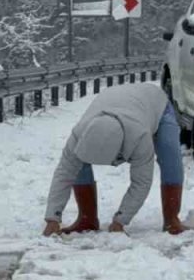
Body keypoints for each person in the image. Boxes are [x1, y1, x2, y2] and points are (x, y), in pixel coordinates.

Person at [42, 83, 185, 237]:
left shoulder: (139, 137)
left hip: (156, 103)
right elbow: (64, 174)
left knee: (170, 154)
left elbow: (141, 182)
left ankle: (172, 219)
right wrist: (52, 218)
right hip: (117, 101)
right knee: (77, 164)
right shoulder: (79, 135)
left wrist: (120, 221)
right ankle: (87, 219)